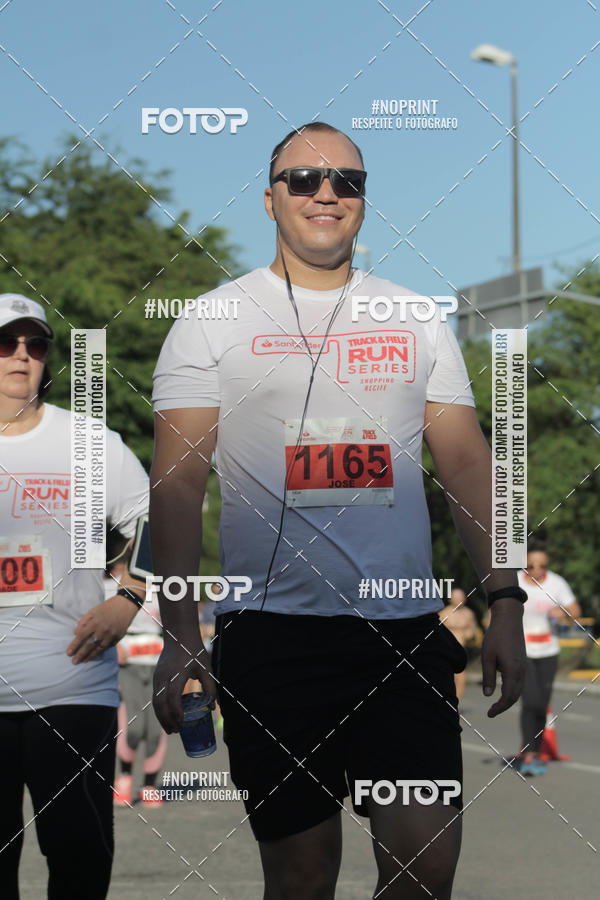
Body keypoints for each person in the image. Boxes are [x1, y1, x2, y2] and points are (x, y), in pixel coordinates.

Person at [150, 123, 527, 900]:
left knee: (427, 870)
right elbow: (178, 485)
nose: (327, 194)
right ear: (270, 199)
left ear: (363, 201)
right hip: (273, 641)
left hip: (401, 640)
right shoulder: (212, 320)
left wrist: (507, 603)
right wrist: (180, 636)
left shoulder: (416, 316)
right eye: (304, 180)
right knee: (301, 875)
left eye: (347, 181)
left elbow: (466, 464)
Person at [0, 293, 148, 899]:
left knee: (81, 863)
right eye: (6, 343)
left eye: (35, 345)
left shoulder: (89, 442)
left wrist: (131, 595)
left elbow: (159, 514)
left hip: (72, 689)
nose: (21, 356)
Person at [104, 556, 168, 808]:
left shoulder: (162, 584)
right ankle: (125, 777)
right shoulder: (108, 585)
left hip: (156, 663)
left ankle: (150, 785)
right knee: (132, 726)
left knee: (155, 729)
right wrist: (113, 644)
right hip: (126, 663)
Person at [515, 540, 580, 775]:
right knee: (530, 701)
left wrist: (561, 613)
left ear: (546, 564)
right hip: (522, 651)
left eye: (541, 565)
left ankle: (534, 751)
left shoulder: (556, 583)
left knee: (541, 705)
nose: (536, 570)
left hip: (548, 651)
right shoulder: (515, 582)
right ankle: (529, 753)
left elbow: (574, 611)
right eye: (531, 566)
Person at [438, 588, 481, 705]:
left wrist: (470, 634)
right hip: (446, 651)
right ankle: (444, 702)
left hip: (461, 650)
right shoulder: (444, 613)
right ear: (450, 599)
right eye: (455, 597)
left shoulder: (469, 614)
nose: (458, 600)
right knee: (445, 677)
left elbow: (474, 630)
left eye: (460, 597)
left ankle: (457, 703)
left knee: (461, 677)